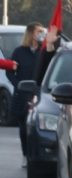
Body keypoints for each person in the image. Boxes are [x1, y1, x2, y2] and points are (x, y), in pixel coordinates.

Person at [11, 23, 45, 166]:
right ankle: (25, 154)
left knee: (38, 128)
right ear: (31, 33)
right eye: (39, 32)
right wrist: (17, 84)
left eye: (42, 32)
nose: (41, 34)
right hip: (22, 95)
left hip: (39, 95)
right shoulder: (19, 52)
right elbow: (10, 70)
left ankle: (36, 156)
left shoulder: (43, 52)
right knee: (24, 128)